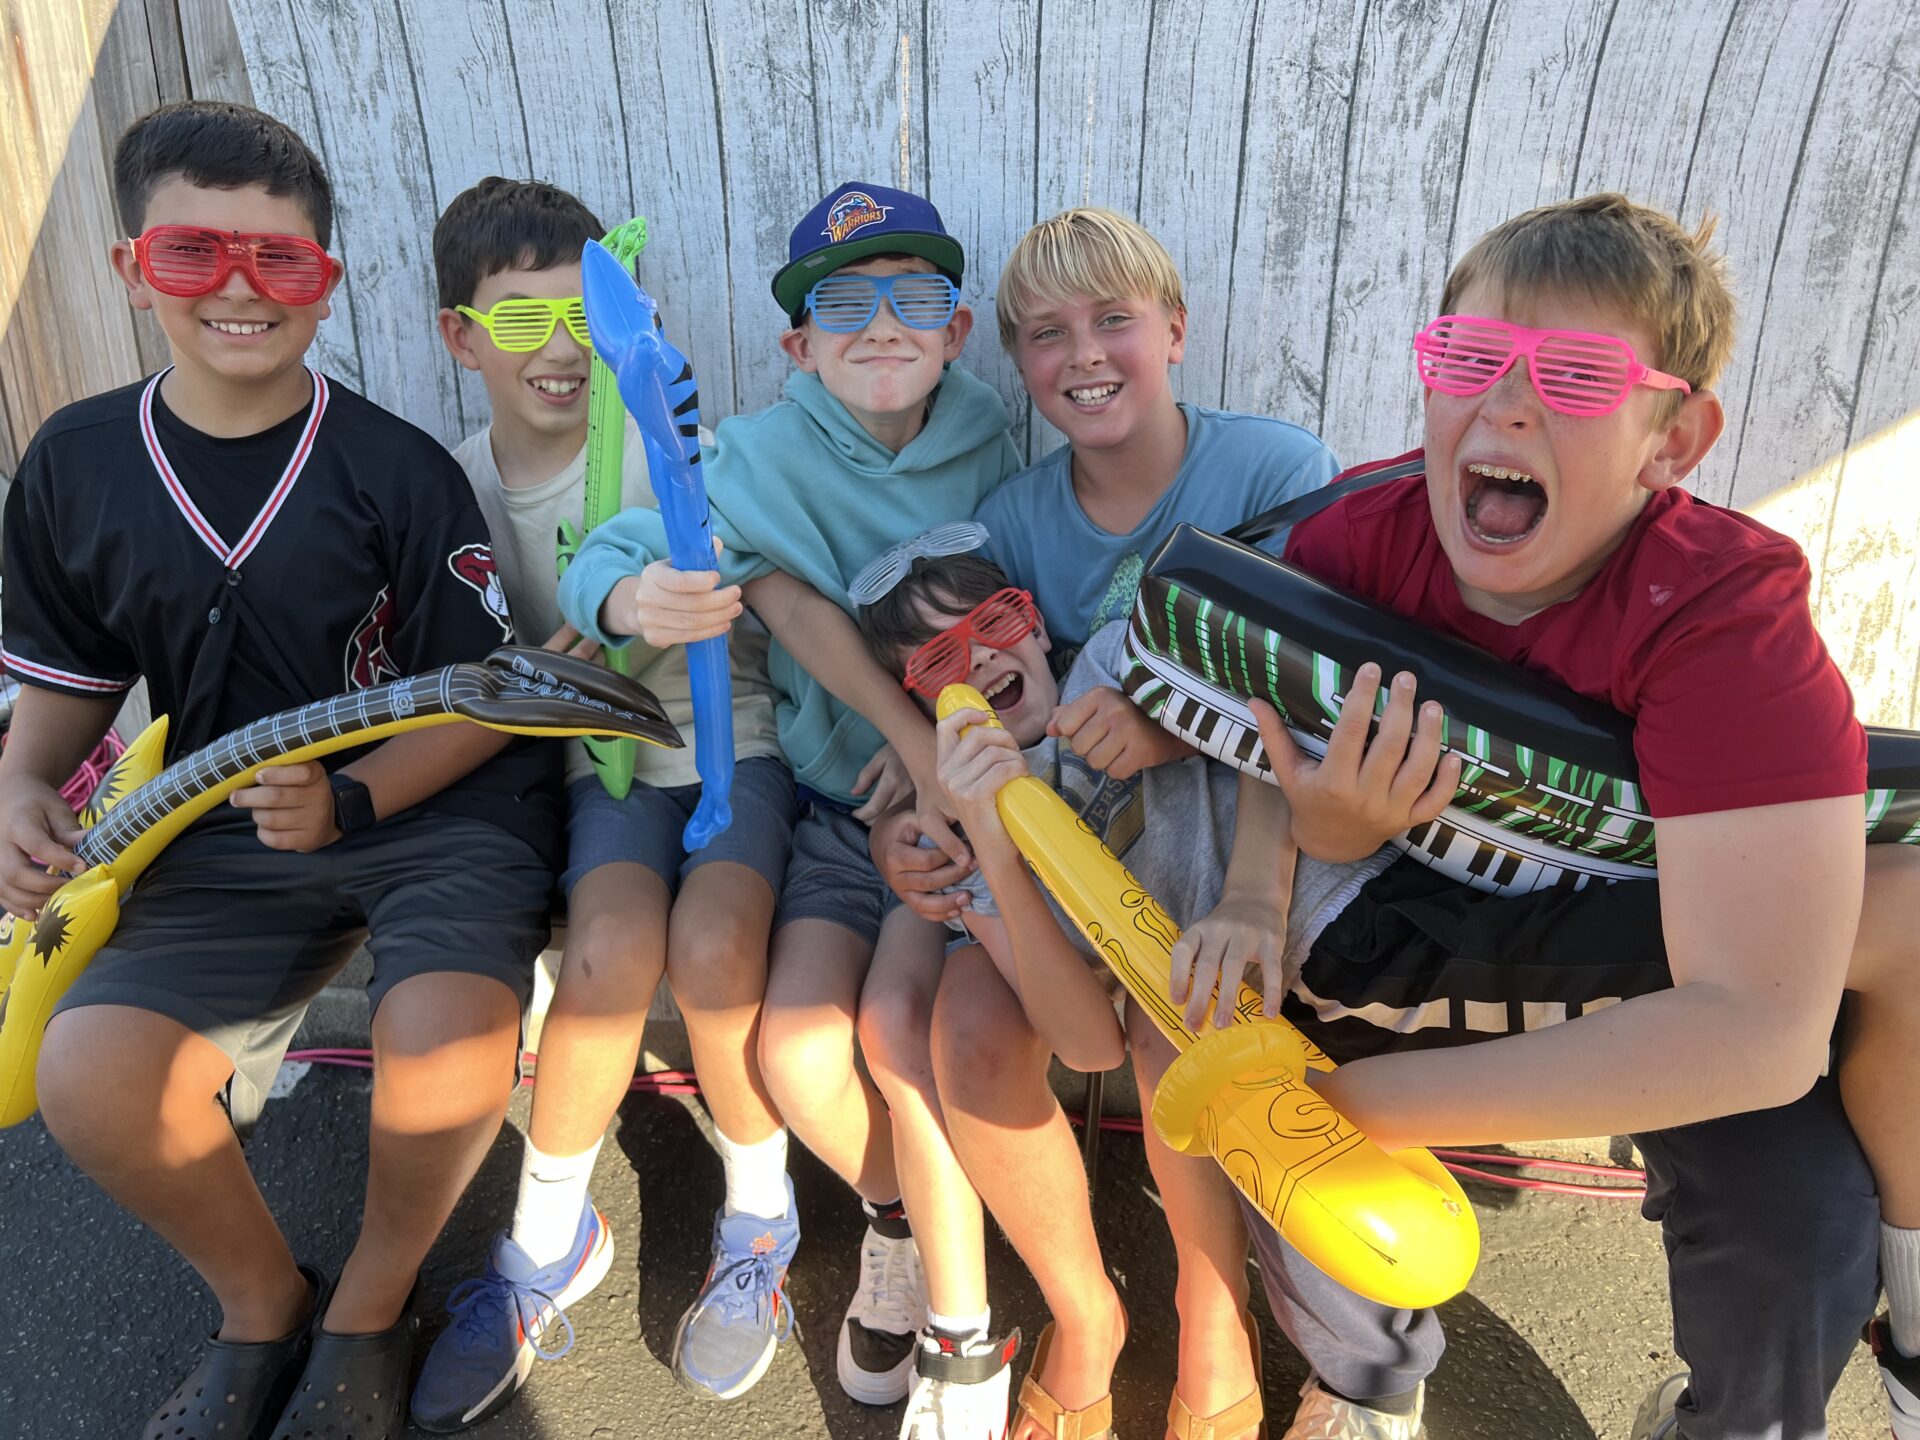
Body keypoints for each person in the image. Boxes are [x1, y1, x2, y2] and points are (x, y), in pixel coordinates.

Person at [1244, 191, 1920, 1440]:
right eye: (1471, 356)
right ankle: (1363, 1383)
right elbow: (1252, 704)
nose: (1506, 405)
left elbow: (1757, 1035)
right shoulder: (1356, 531)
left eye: (1576, 374)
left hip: (1640, 966)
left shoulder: (1727, 620)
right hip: (1405, 942)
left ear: (1675, 439)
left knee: (1806, 1217)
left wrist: (1353, 1115)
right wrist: (1289, 847)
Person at [0, 102, 563, 1440]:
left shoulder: (395, 470)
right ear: (134, 268)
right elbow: (70, 678)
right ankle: (262, 1305)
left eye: (279, 258)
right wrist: (21, 788)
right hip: (223, 818)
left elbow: (491, 703)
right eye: (194, 252)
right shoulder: (75, 464)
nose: (240, 288)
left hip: (432, 807)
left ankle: (369, 1306)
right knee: (92, 1074)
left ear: (325, 279)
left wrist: (355, 797)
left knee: (444, 1041)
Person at [558, 181, 1022, 1407]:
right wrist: (638, 600)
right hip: (834, 809)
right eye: (844, 305)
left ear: (958, 328)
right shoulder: (756, 457)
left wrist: (942, 736)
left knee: (921, 1035)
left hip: (979, 803)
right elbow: (613, 550)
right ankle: (899, 1223)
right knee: (798, 1050)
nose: (884, 324)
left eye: (916, 296)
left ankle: (969, 1256)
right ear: (798, 345)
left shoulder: (995, 440)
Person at [406, 177, 796, 1430]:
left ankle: (761, 1220)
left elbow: (728, 600)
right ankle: (544, 1245)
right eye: (522, 321)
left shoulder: (675, 444)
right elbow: (489, 672)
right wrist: (562, 666)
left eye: (582, 317)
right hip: (596, 763)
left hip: (733, 745)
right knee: (611, 949)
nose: (562, 349)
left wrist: (637, 619)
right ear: (460, 336)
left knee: (716, 950)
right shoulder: (451, 488)